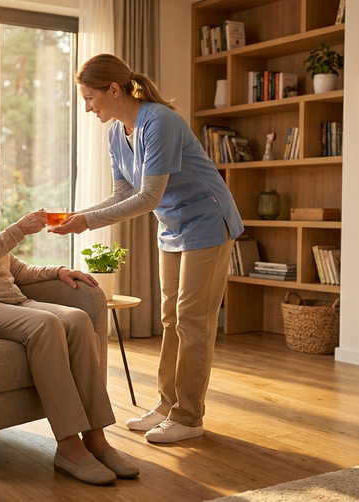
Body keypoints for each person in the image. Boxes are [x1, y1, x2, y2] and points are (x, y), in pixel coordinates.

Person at [0, 149, 138, 486]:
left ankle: (96, 439)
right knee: (45, 324)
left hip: (13, 301)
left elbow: (15, 269)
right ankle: (69, 447)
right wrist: (16, 230)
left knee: (76, 320)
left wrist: (56, 271)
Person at [51, 54, 244, 444]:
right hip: (172, 226)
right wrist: (78, 215)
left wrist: (86, 222)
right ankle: (166, 405)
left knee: (193, 320)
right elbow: (123, 192)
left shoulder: (160, 122)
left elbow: (148, 197)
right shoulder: (115, 133)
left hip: (206, 220)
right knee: (170, 317)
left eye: (90, 98)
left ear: (114, 90)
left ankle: (189, 417)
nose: (88, 107)